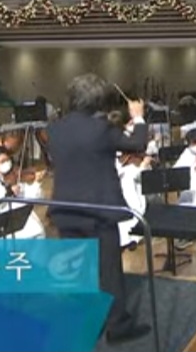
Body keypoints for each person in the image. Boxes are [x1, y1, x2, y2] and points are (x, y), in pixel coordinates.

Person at [46, 73, 150, 344]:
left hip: (66, 210)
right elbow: (137, 144)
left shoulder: (55, 129)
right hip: (98, 211)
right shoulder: (101, 129)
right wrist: (138, 117)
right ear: (97, 100)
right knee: (109, 272)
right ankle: (118, 327)